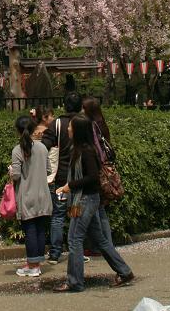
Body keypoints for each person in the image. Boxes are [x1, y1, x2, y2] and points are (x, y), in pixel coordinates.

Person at [53, 115, 134, 292]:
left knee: (74, 239)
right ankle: (124, 271)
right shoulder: (78, 148)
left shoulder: (87, 151)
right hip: (84, 199)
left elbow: (92, 177)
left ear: (78, 131)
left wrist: (69, 186)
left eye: (71, 127)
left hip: (85, 199)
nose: (68, 129)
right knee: (100, 239)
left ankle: (75, 281)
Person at [41, 91, 82, 264]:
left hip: (60, 176)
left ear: (64, 105)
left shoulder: (56, 124)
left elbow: (44, 146)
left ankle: (55, 253)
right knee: (76, 213)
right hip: (79, 176)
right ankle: (77, 250)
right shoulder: (83, 122)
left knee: (57, 215)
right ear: (80, 106)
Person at [9, 114, 52, 277]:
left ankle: (32, 266)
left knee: (30, 231)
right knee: (40, 229)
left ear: (18, 131)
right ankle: (36, 264)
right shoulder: (42, 148)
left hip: (27, 195)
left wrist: (11, 171)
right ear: (34, 129)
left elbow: (16, 176)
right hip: (43, 194)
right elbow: (48, 170)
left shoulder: (17, 150)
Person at [82, 97, 113, 245]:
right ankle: (106, 243)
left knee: (97, 209)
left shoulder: (92, 125)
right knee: (100, 209)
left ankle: (103, 244)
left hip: (97, 168)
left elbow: (96, 149)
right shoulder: (102, 122)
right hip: (104, 166)